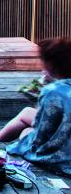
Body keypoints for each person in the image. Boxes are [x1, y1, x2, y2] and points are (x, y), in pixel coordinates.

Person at [4, 38, 71, 175]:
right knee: (27, 114)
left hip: (61, 159)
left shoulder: (53, 91)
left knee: (26, 132)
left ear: (51, 64)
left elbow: (41, 133)